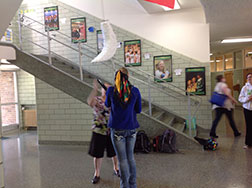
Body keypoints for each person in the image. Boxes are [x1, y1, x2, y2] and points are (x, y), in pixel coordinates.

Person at [105, 67, 142, 188]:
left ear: (116, 77)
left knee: (122, 160)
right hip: (131, 129)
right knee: (130, 158)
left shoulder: (111, 90)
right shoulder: (135, 91)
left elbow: (107, 105)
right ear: (128, 77)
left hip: (117, 130)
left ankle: (124, 186)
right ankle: (133, 185)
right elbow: (138, 110)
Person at [87, 79, 119, 184]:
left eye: (108, 88)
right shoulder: (97, 99)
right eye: (104, 88)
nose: (106, 90)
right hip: (99, 130)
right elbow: (90, 102)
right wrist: (94, 90)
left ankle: (116, 168)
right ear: (102, 90)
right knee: (97, 154)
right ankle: (97, 174)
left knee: (113, 152)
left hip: (111, 130)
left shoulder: (113, 101)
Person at [239, 73, 252, 149]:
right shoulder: (244, 88)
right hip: (247, 109)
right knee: (249, 126)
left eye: (251, 77)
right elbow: (240, 98)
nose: (250, 78)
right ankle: (248, 143)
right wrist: (248, 99)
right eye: (248, 77)